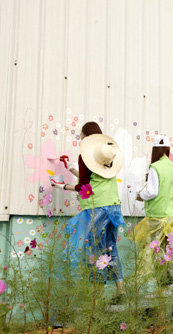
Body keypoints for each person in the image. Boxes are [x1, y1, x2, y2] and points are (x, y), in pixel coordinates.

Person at [51, 121, 125, 303]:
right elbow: (94, 178)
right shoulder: (107, 155)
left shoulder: (85, 154)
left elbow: (84, 186)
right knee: (110, 248)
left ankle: (97, 302)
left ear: (85, 135)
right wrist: (71, 169)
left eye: (81, 135)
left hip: (97, 208)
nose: (81, 139)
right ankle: (121, 292)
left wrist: (63, 186)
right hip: (113, 207)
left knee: (96, 250)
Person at [134, 135, 173, 289]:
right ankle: (167, 287)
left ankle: (162, 286)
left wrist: (140, 193)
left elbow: (152, 192)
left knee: (157, 252)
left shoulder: (155, 167)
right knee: (167, 251)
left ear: (155, 150)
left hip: (158, 216)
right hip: (172, 217)